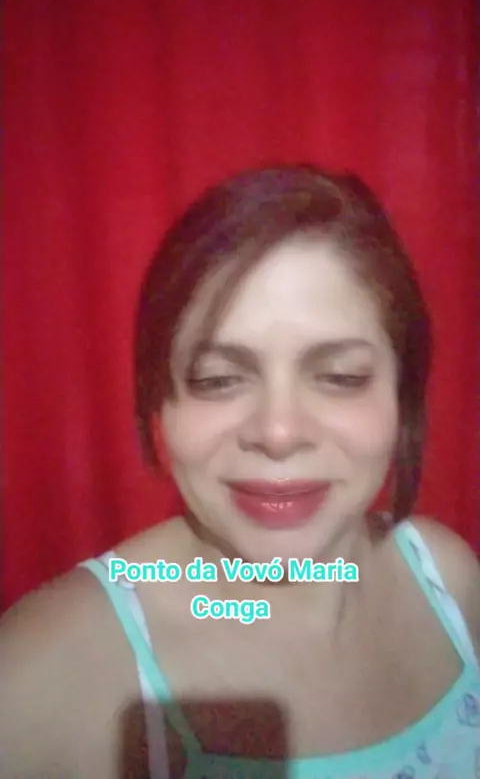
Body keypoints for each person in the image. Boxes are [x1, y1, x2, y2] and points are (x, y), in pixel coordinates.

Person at [1, 163, 479, 779]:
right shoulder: (43, 675)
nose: (278, 433)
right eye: (218, 380)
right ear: (157, 404)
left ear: (403, 398)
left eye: (341, 377)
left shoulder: (449, 581)